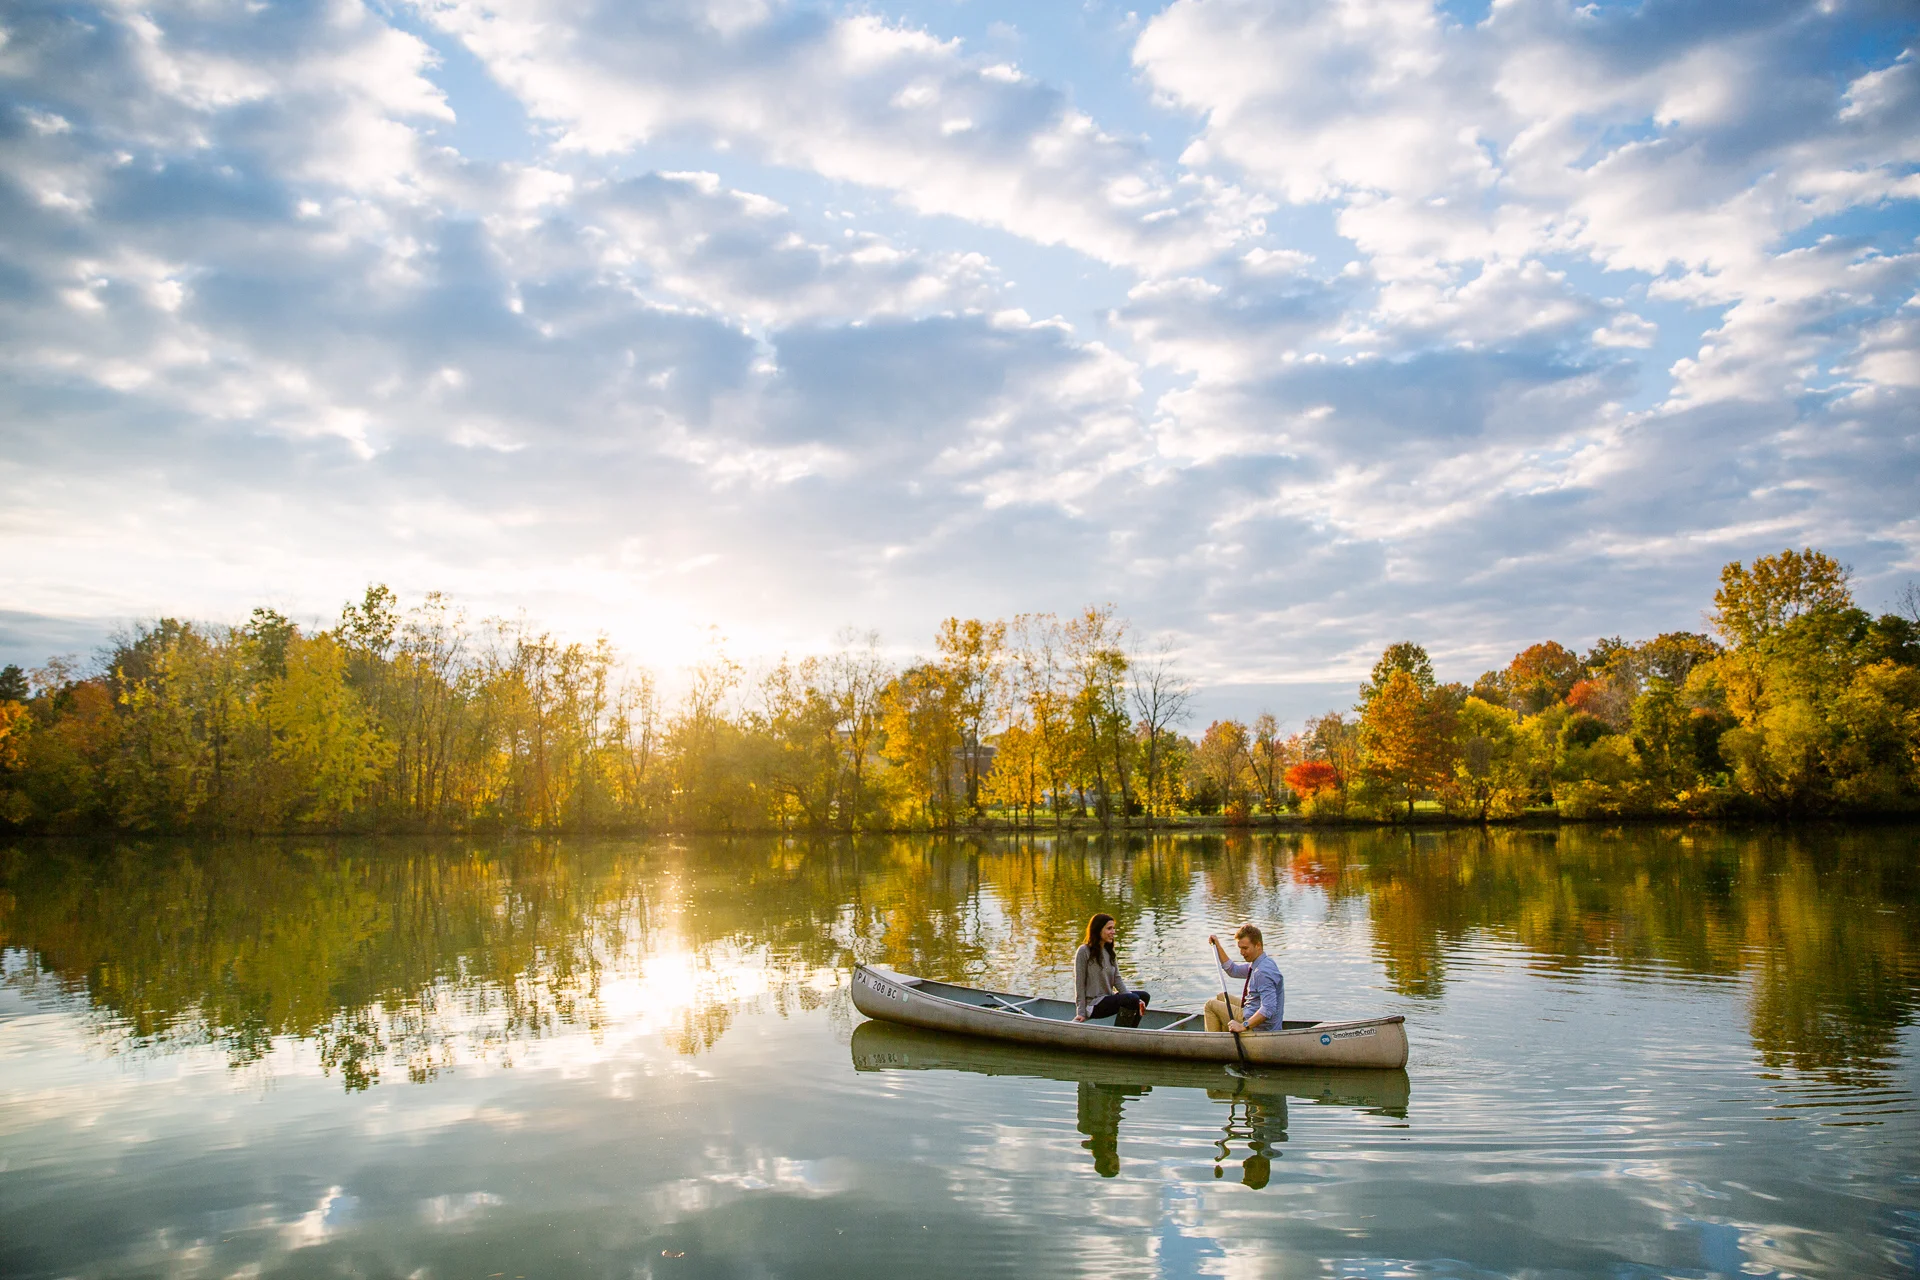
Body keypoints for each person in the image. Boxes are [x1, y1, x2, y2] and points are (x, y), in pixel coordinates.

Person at [1074, 913, 1151, 1026]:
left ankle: (1130, 1031)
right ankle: (1120, 1034)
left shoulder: (1110, 952)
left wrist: (1137, 1000)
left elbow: (1117, 980)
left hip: (1108, 998)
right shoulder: (1084, 951)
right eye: (1109, 928)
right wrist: (1081, 1013)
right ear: (1098, 930)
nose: (1113, 932)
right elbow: (1079, 984)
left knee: (1143, 996)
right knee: (1132, 999)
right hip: (1093, 1005)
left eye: (1113, 928)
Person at [1206, 924, 1283, 1034]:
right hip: (1251, 1010)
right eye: (1240, 948)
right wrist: (1218, 946)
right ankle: (1228, 1037)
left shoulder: (1262, 972)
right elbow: (1233, 970)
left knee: (1210, 1005)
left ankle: (1214, 1046)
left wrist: (1243, 1026)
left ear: (1258, 945)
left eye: (1245, 948)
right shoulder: (1260, 963)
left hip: (1260, 1027)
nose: (1241, 952)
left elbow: (1268, 1009)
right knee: (1221, 997)